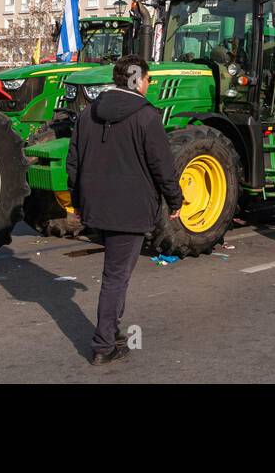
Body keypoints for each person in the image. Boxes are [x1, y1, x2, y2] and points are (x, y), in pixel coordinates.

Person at [66, 54, 184, 365]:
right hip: (129, 209)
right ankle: (104, 344)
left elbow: (73, 162)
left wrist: (77, 201)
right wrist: (175, 200)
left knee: (114, 272)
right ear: (138, 80)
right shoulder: (147, 117)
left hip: (96, 205)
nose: (147, 84)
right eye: (147, 79)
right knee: (116, 276)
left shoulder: (88, 113)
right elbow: (162, 165)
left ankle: (112, 329)